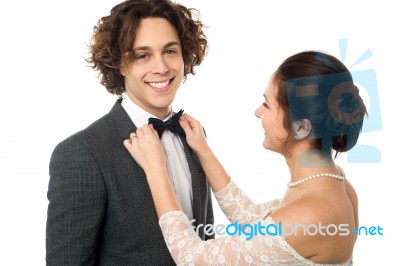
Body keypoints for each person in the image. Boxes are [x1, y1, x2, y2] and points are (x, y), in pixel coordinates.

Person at [123, 50, 367, 265]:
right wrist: (203, 151)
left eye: (267, 104)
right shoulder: (337, 186)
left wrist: (156, 170)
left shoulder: (311, 215)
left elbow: (191, 258)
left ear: (302, 127)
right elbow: (253, 223)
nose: (257, 112)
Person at [46, 0, 214, 264]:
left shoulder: (194, 133)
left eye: (170, 51)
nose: (161, 67)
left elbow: (205, 240)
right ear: (120, 64)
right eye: (143, 55)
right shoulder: (82, 153)